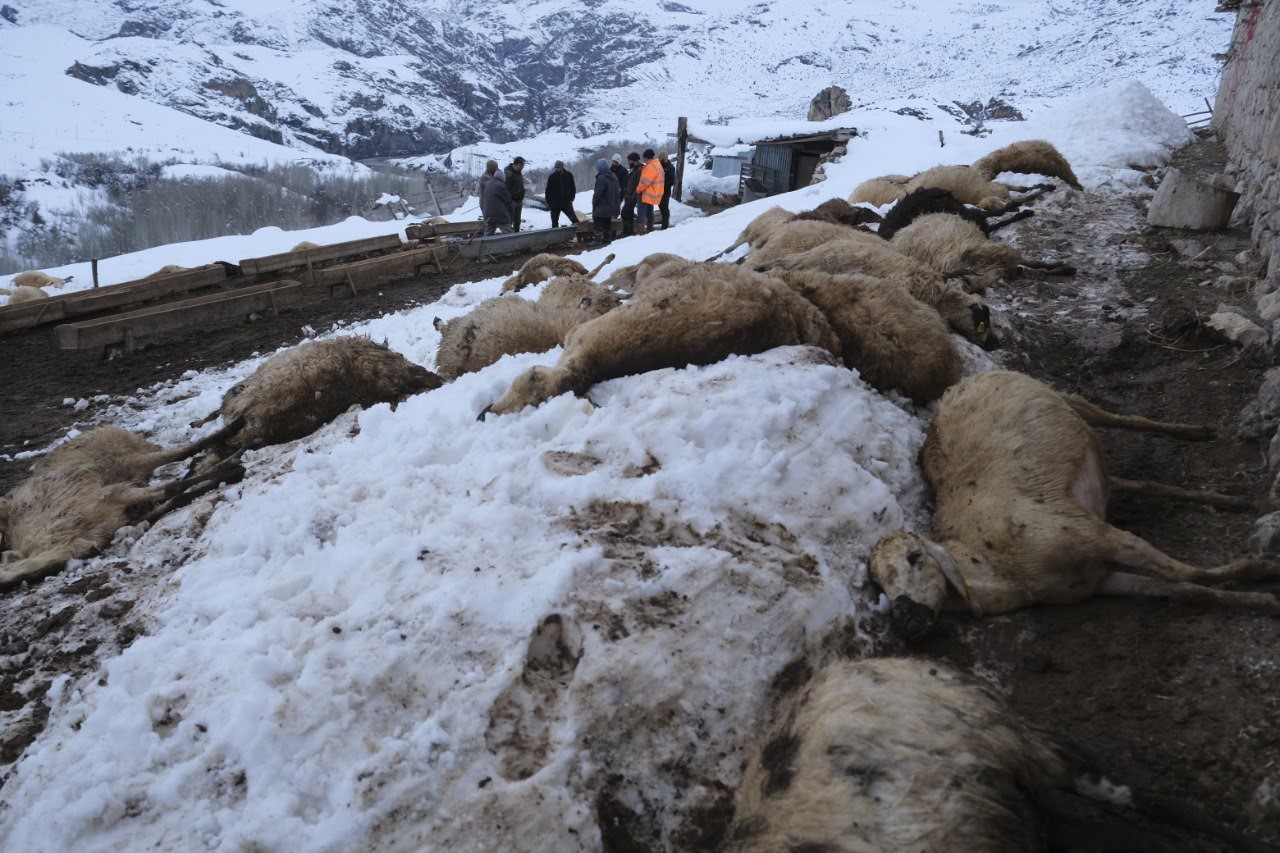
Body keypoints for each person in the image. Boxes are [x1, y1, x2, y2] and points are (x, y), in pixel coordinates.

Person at [590, 158, 621, 245]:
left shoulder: (601, 178)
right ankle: (607, 238)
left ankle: (597, 239)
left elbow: (598, 192)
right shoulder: (613, 176)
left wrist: (594, 201)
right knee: (607, 221)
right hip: (611, 204)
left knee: (597, 220)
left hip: (602, 204)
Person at [635, 149, 665, 236]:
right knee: (650, 212)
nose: (643, 160)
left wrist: (638, 190)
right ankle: (650, 229)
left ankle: (641, 232)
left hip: (645, 193)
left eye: (644, 158)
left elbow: (644, 182)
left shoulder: (650, 166)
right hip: (653, 193)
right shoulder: (658, 164)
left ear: (647, 158)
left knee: (642, 213)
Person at [545, 160, 579, 229]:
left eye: (558, 167)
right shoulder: (552, 176)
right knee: (554, 223)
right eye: (556, 168)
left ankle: (580, 234)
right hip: (555, 204)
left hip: (566, 203)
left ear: (562, 167)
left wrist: (571, 199)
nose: (557, 169)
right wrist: (550, 202)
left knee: (574, 220)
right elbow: (548, 190)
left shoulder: (568, 175)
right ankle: (556, 238)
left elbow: (573, 188)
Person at [481, 169, 514, 235]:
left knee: (489, 231)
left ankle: (485, 243)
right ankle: (513, 242)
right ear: (502, 178)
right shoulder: (502, 185)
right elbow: (508, 199)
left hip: (487, 213)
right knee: (508, 231)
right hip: (499, 213)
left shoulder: (489, 184)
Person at [620, 152, 642, 237]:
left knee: (624, 213)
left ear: (634, 160)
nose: (628, 162)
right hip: (628, 195)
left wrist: (633, 196)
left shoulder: (639, 170)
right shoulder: (634, 169)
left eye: (630, 160)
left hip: (633, 196)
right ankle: (629, 232)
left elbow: (638, 184)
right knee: (629, 214)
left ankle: (627, 233)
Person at [504, 156, 526, 232]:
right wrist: (509, 199)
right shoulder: (508, 173)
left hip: (519, 200)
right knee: (510, 220)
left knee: (517, 220)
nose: (522, 168)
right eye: (522, 166)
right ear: (518, 164)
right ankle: (508, 235)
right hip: (512, 200)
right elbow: (506, 188)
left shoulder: (518, 172)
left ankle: (516, 234)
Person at [658, 151, 677, 230]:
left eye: (660, 158)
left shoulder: (670, 167)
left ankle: (665, 226)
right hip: (659, 191)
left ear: (663, 158)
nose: (658, 160)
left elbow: (671, 181)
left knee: (664, 207)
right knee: (661, 206)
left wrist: (663, 184)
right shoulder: (661, 166)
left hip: (665, 191)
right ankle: (664, 224)